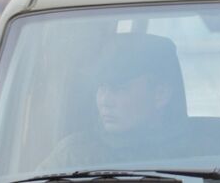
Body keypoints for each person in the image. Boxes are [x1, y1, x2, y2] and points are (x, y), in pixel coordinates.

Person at [43, 32, 194, 168]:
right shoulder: (72, 156)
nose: (104, 101)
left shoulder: (201, 154)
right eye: (102, 87)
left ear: (160, 94)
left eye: (119, 88)